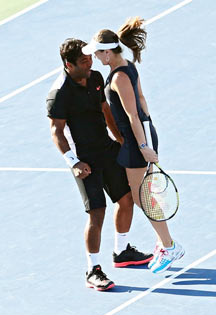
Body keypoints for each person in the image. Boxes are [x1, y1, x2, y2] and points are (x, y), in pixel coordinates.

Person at [47, 38, 154, 291]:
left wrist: (122, 140)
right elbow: (57, 131)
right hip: (84, 160)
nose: (90, 63)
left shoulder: (95, 78)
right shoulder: (59, 94)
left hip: (107, 150)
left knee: (126, 199)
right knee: (97, 213)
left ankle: (122, 251)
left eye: (90, 58)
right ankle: (92, 270)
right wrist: (74, 161)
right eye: (84, 61)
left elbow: (105, 111)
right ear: (68, 64)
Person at [82, 17, 185, 275]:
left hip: (135, 142)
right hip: (142, 136)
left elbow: (132, 115)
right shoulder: (127, 66)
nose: (95, 56)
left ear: (108, 52)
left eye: (97, 52)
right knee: (143, 196)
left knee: (143, 199)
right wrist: (149, 136)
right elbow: (142, 101)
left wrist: (142, 145)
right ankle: (165, 242)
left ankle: (170, 246)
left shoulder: (118, 77)